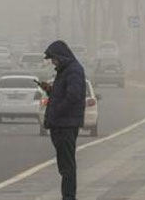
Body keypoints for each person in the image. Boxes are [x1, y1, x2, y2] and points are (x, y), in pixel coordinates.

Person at [40, 40, 86, 200]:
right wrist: (50, 90)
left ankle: (69, 197)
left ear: (60, 56)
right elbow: (64, 93)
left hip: (65, 125)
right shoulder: (66, 70)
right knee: (65, 165)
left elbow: (73, 96)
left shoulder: (73, 71)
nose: (53, 62)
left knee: (67, 166)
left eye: (53, 58)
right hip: (62, 124)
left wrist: (57, 110)